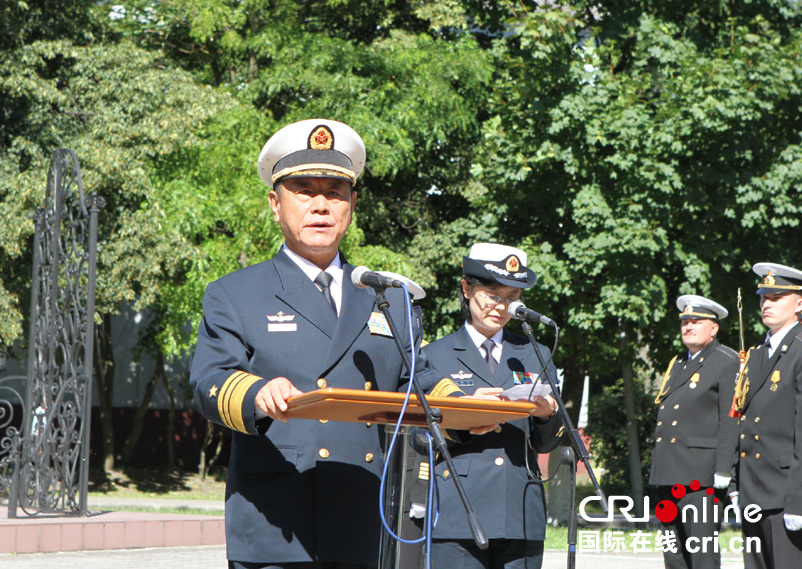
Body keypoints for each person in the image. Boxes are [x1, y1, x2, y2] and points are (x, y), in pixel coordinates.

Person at [189, 119, 480, 569]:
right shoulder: (235, 293)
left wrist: (469, 408)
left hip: (364, 516)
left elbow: (415, 379)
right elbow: (209, 381)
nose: (321, 205)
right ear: (275, 203)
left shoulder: (387, 296)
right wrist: (255, 394)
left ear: (352, 204)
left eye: (335, 192)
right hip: (277, 520)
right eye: (304, 190)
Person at [411, 243, 563, 569]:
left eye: (512, 298)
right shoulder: (432, 356)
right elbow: (416, 436)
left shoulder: (535, 352)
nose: (501, 307)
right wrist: (465, 417)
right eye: (493, 295)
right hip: (458, 511)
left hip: (520, 508)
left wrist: (547, 412)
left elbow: (546, 442)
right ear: (466, 289)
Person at [730, 263, 802, 569]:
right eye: (764, 296)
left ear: (799, 304)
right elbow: (746, 422)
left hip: (785, 494)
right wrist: (737, 485)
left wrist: (800, 502)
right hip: (754, 492)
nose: (766, 303)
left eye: (777, 297)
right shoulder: (758, 354)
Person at [649, 295, 740, 569]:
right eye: (685, 322)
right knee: (673, 554)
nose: (688, 326)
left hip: (701, 477)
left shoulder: (727, 361)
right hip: (669, 472)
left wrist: (725, 470)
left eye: (696, 322)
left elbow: (731, 420)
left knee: (701, 556)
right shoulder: (678, 362)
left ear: (713, 328)